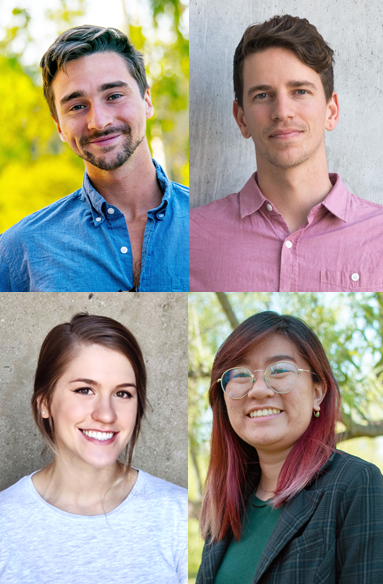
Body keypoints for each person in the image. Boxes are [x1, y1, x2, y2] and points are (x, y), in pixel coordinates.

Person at [189, 15, 383, 292]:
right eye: (263, 95)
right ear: (241, 118)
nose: (282, 112)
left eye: (300, 91)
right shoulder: (192, 237)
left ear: (331, 111)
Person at [196, 311, 383, 583]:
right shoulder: (226, 506)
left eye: (280, 370)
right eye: (238, 374)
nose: (258, 390)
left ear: (317, 393)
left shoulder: (356, 485)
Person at [0, 313, 187, 583]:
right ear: (44, 403)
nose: (106, 414)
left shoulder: (176, 516)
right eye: (85, 390)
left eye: (123, 393)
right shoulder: (5, 523)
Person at [0, 26, 189, 292]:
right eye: (77, 106)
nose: (99, 122)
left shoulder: (216, 227)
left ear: (147, 100)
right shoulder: (18, 250)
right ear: (59, 127)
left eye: (114, 96)